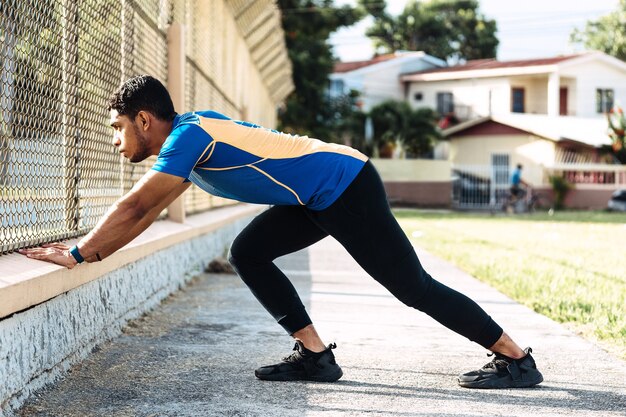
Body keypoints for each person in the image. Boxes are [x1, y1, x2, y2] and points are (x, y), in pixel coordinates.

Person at [19, 75, 543, 389]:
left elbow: (135, 207)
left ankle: (517, 360)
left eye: (117, 128)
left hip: (345, 183)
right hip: (312, 196)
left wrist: (80, 253)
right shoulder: (186, 140)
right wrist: (87, 251)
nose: (115, 140)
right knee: (249, 252)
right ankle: (316, 357)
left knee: (412, 288)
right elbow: (146, 210)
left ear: (144, 119)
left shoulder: (187, 136)